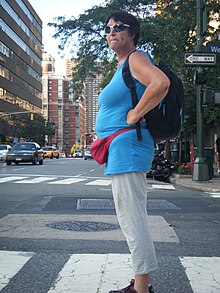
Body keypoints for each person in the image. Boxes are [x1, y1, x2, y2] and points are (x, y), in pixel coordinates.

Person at [95, 11, 170, 293]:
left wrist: (135, 113)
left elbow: (161, 83)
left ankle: (141, 289)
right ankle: (140, 285)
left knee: (132, 219)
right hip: (121, 148)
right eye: (108, 28)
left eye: (119, 27)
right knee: (131, 217)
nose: (112, 32)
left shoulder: (137, 58)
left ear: (133, 33)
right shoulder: (123, 64)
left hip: (128, 146)